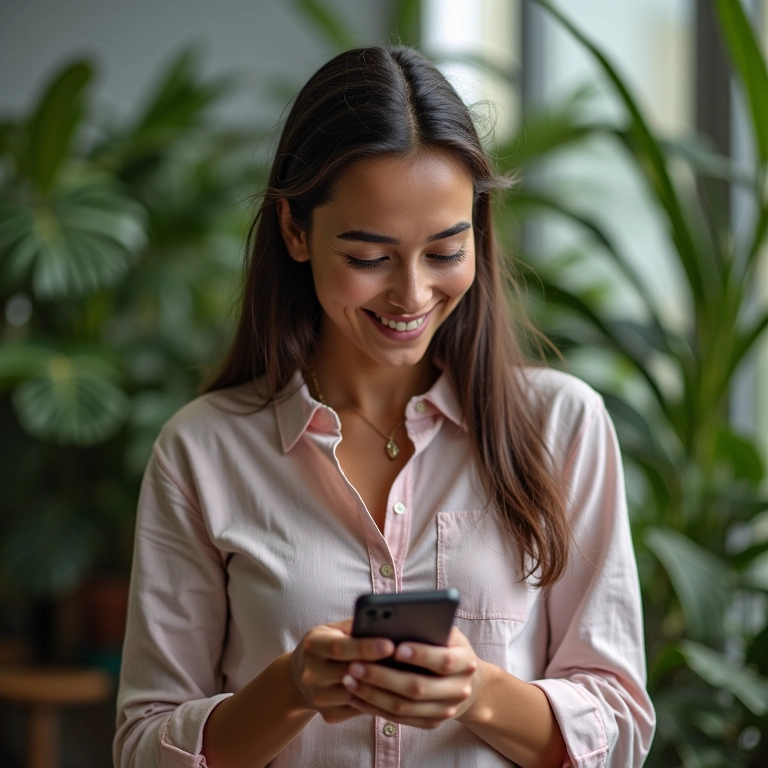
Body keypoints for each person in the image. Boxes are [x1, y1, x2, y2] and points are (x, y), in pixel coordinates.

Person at [113, 46, 655, 768]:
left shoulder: (563, 429)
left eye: (445, 250)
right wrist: (289, 689)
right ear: (295, 231)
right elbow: (142, 746)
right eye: (369, 258)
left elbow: (620, 726)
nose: (412, 294)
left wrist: (478, 692)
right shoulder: (203, 452)